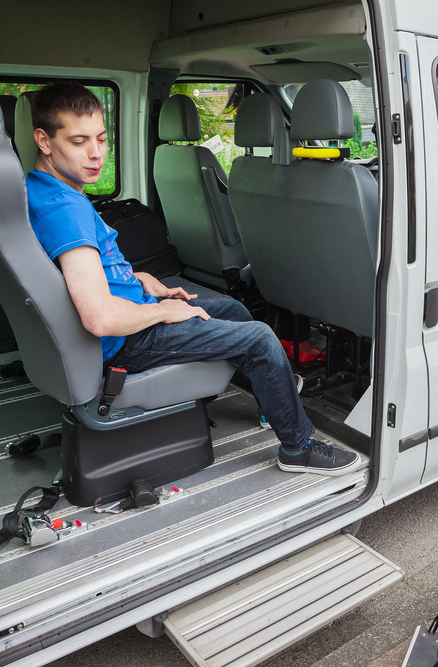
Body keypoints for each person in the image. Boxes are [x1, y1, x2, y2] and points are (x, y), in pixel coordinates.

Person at [25, 82, 360, 476]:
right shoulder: (66, 211)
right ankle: (298, 447)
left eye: (100, 138)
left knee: (233, 308)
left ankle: (274, 400)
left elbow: (77, 272)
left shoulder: (42, 189)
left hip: (131, 315)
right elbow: (100, 318)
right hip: (126, 341)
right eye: (79, 141)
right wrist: (162, 312)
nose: (97, 153)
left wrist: (138, 277)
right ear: (44, 140)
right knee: (260, 338)